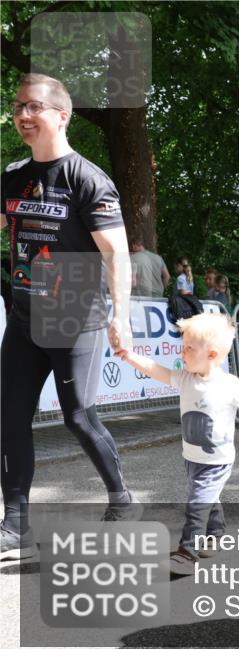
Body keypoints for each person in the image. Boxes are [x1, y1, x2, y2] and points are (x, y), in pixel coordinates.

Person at [1, 73, 140, 559]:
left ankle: (121, 499)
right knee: (9, 418)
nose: (22, 115)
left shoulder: (87, 179)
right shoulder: (13, 177)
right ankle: (15, 524)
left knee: (78, 417)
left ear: (62, 115)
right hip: (24, 316)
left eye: (33, 107)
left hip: (74, 317)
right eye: (18, 107)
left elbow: (116, 255)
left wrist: (121, 317)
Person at [116, 313, 239, 575]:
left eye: (189, 348)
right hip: (192, 458)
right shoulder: (186, 378)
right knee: (207, 497)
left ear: (212, 354)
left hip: (217, 461)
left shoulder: (229, 384)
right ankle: (216, 534)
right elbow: (156, 370)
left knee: (197, 503)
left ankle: (187, 553)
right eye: (183, 347)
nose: (182, 353)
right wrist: (129, 356)